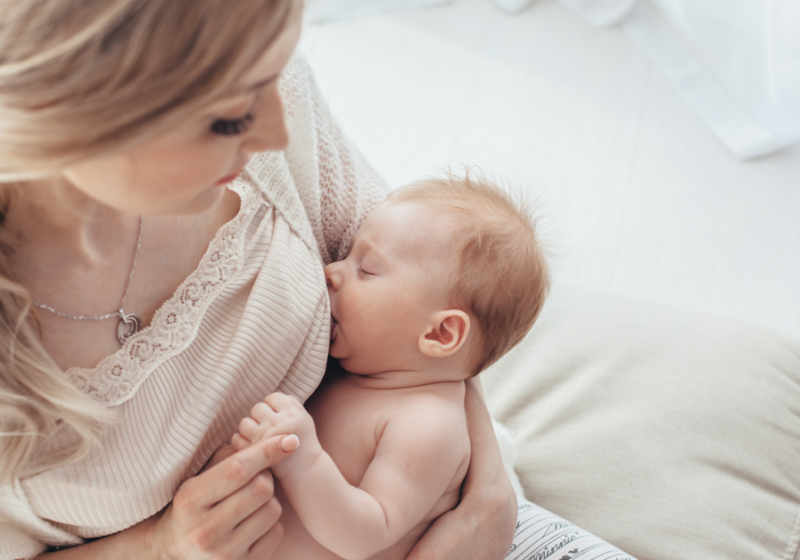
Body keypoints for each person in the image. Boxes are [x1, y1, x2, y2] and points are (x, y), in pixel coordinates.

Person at [0, 0, 637, 559]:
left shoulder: (265, 98)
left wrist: (487, 502)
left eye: (274, 73)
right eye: (227, 118)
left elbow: (440, 298)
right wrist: (162, 549)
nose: (276, 132)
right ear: (76, 116)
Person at [232, 173, 550, 560]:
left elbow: (366, 533)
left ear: (440, 334)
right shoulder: (362, 372)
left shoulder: (427, 424)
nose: (332, 271)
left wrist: (302, 458)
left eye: (365, 269)